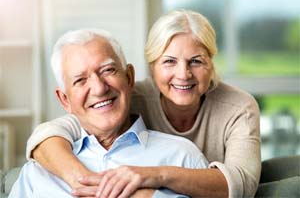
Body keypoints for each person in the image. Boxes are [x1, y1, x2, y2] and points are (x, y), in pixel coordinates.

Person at [26, 9, 261, 197]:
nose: (183, 74)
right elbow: (53, 131)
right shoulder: (125, 97)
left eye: (196, 61)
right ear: (152, 67)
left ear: (211, 62)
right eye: (169, 61)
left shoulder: (238, 108)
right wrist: (85, 181)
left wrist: (154, 177)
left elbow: (241, 184)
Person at [9, 28, 208, 198]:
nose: (98, 88)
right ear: (65, 100)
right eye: (80, 80)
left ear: (129, 78)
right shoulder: (39, 173)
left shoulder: (183, 157)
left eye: (107, 70)